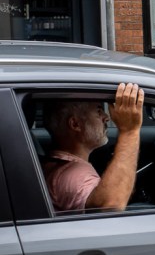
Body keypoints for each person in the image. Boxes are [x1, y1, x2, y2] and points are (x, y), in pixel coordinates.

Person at [42, 82, 144, 212]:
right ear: (75, 124)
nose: (106, 117)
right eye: (98, 111)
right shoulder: (74, 175)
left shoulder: (54, 165)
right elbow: (110, 207)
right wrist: (129, 131)